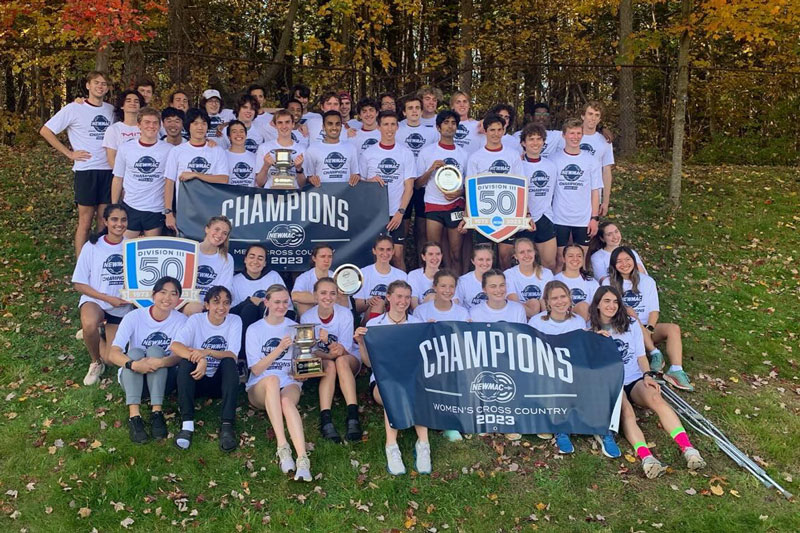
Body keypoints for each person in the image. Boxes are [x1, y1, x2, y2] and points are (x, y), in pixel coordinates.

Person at [588, 286, 706, 477]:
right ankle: (647, 458)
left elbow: (641, 357)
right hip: (611, 381)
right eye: (606, 301)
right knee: (627, 411)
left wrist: (647, 375)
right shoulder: (590, 328)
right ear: (598, 304)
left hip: (634, 377)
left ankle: (689, 449)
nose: (611, 306)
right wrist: (592, 339)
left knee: (656, 398)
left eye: (615, 302)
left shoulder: (631, 324)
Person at [528, 280, 620, 456]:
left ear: (570, 299)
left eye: (563, 296)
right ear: (547, 301)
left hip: (575, 369)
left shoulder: (578, 321)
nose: (560, 301)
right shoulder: (537, 322)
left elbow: (582, 346)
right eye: (554, 298)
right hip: (548, 371)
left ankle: (604, 430)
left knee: (600, 379)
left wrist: (596, 337)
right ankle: (562, 429)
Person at [355, 280, 431, 475]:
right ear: (388, 297)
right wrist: (362, 343)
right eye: (399, 296)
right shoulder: (375, 324)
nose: (403, 301)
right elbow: (370, 364)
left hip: (411, 380)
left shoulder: (416, 324)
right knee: (393, 389)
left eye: (407, 297)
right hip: (382, 382)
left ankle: (423, 444)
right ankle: (392, 446)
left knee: (413, 387)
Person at [40, 70, 115, 257]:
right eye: (96, 82)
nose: (100, 86)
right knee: (85, 220)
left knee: (103, 219)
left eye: (104, 84)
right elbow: (46, 131)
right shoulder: (74, 108)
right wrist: (69, 153)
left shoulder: (111, 110)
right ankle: (81, 263)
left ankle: (99, 260)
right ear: (88, 85)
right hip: (86, 169)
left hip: (108, 170)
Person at [108, 276, 187, 443]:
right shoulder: (134, 317)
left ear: (178, 299)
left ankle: (156, 412)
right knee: (135, 352)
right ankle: (134, 416)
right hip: (133, 380)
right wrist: (134, 364)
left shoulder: (181, 321)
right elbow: (113, 353)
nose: (167, 298)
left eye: (173, 294)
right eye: (163, 292)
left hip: (162, 381)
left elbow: (180, 356)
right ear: (153, 295)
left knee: (156, 351)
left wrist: (160, 362)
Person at [245, 285, 312, 480]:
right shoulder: (255, 329)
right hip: (260, 386)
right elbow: (256, 369)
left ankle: (302, 459)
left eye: (285, 302)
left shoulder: (294, 327)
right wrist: (280, 349)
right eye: (276, 302)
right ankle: (283, 447)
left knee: (286, 402)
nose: (281, 306)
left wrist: (303, 372)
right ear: (266, 302)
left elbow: (302, 361)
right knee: (272, 379)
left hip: (289, 382)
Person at [605, 247, 693, 391]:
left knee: (673, 329)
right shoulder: (609, 283)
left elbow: (654, 310)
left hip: (647, 327)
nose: (624, 264)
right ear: (614, 265)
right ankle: (655, 353)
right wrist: (638, 325)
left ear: (634, 261)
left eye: (627, 259)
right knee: (629, 312)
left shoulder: (647, 281)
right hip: (624, 328)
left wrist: (649, 328)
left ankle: (676, 370)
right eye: (619, 261)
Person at [171, 286, 242, 452]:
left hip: (220, 382)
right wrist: (200, 358)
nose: (221, 307)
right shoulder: (196, 320)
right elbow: (175, 345)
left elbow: (232, 354)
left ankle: (227, 425)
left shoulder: (234, 320)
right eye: (216, 302)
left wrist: (208, 352)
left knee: (229, 362)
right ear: (207, 305)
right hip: (196, 379)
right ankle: (187, 425)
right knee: (185, 362)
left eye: (226, 303)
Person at [72, 203, 133, 385]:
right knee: (90, 323)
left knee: (111, 359)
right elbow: (79, 283)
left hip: (121, 307)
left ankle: (99, 337)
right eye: (114, 219)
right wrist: (107, 298)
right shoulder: (92, 247)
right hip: (97, 300)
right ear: (105, 221)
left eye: (123, 220)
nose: (119, 224)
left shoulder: (132, 248)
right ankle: (95, 362)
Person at [301, 277, 362, 444]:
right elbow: (310, 352)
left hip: (348, 360)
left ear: (337, 296)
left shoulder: (345, 314)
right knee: (330, 365)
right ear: (315, 296)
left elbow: (343, 349)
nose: (328, 297)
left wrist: (327, 343)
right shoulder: (307, 317)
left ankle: (353, 417)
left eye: (332, 293)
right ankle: (326, 419)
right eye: (323, 293)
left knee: (340, 362)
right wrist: (328, 353)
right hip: (326, 362)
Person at [359, 110, 417, 270]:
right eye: (385, 124)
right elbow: (360, 185)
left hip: (395, 213)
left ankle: (403, 292)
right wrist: (369, 181)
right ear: (379, 127)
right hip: (374, 214)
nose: (389, 129)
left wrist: (400, 212)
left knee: (397, 257)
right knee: (374, 258)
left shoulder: (406, 153)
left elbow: (409, 187)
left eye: (393, 124)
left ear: (398, 127)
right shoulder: (368, 154)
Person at [464, 113, 524, 270]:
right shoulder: (475, 157)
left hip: (508, 213)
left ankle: (505, 291)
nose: (496, 133)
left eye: (499, 129)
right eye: (492, 130)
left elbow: (521, 187)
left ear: (504, 131)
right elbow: (470, 189)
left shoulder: (513, 155)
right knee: (484, 257)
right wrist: (467, 215)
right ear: (485, 131)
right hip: (483, 214)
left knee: (505, 257)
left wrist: (526, 213)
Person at [416, 110, 468, 273]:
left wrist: (459, 193)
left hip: (456, 206)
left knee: (455, 254)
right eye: (446, 123)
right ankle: (432, 289)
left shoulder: (464, 154)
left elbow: (468, 184)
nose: (450, 126)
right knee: (433, 254)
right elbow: (417, 185)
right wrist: (431, 170)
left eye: (453, 123)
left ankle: (458, 290)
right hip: (434, 205)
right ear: (438, 127)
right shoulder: (427, 152)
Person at [549, 118, 602, 271]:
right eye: (571, 133)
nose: (575, 137)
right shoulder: (554, 160)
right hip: (559, 218)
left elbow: (595, 192)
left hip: (583, 219)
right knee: (560, 259)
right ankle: (556, 292)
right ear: (564, 135)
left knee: (581, 261)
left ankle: (581, 292)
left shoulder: (591, 161)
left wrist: (594, 218)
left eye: (579, 133)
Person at [163, 108, 229, 232]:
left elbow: (223, 179)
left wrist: (195, 175)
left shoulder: (217, 150)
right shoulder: (177, 151)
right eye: (196, 123)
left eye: (204, 123)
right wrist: (169, 213)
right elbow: (169, 183)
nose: (200, 127)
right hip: (185, 213)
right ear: (188, 126)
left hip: (211, 212)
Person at [111, 107, 173, 238]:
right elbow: (118, 178)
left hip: (156, 209)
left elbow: (171, 181)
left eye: (155, 123)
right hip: (130, 206)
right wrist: (114, 207)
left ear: (160, 125)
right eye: (147, 122)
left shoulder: (169, 150)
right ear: (139, 125)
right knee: (126, 251)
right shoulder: (125, 148)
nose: (151, 126)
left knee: (150, 252)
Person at [397, 95, 439, 249]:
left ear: (422, 111)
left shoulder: (432, 133)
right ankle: (404, 262)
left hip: (424, 184)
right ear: (404, 112)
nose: (414, 111)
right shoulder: (397, 130)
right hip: (403, 184)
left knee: (422, 229)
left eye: (417, 108)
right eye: (410, 108)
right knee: (403, 227)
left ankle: (421, 264)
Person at [517, 122, 558, 271]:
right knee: (524, 265)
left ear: (543, 142)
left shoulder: (551, 166)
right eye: (531, 139)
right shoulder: (517, 165)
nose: (535, 142)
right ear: (523, 143)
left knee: (549, 264)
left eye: (539, 139)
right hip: (522, 220)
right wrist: (526, 214)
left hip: (544, 217)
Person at [183, 216, 235, 315]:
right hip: (187, 304)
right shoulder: (189, 251)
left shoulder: (227, 259)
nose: (219, 235)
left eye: (224, 233)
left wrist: (207, 305)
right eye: (217, 229)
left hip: (211, 307)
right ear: (207, 229)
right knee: (195, 308)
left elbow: (223, 289)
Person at [354, 235, 408, 322]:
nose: (385, 253)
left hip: (394, 317)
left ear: (393, 251)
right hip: (368, 320)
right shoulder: (364, 273)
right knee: (379, 302)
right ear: (374, 251)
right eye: (381, 249)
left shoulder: (401, 275)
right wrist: (369, 301)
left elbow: (405, 303)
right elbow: (357, 307)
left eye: (388, 249)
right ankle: (374, 332)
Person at [304, 111, 360, 186]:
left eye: (337, 124)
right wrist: (311, 179)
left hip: (346, 195)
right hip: (322, 195)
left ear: (341, 126)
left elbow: (356, 174)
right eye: (330, 124)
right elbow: (308, 176)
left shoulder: (351, 148)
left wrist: (356, 177)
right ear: (323, 127)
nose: (334, 128)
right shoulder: (312, 149)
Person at [291, 243, 349, 316]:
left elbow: (345, 304)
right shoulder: (305, 277)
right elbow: (295, 296)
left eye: (330, 257)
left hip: (333, 314)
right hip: (311, 315)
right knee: (303, 303)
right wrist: (323, 300)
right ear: (314, 258)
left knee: (343, 297)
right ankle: (308, 326)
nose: (326, 260)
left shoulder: (336, 277)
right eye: (322, 256)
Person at [255, 109, 307, 189]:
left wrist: (299, 169)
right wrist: (266, 166)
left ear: (293, 124)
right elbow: (259, 183)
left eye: (287, 122)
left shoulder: (302, 149)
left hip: (293, 197)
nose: (284, 126)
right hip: (271, 196)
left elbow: (303, 184)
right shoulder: (264, 148)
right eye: (280, 123)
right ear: (275, 125)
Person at [505, 237, 554, 319]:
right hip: (520, 317)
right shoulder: (508, 274)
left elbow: (548, 303)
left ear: (534, 252)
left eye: (529, 251)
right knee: (534, 303)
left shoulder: (546, 273)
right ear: (516, 256)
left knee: (538, 303)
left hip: (543, 314)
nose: (526, 255)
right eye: (522, 252)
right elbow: (513, 302)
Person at [580, 101, 615, 216]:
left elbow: (606, 171)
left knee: (590, 231)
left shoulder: (605, 141)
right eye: (590, 114)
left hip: (594, 194)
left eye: (597, 115)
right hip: (570, 193)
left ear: (600, 119)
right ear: (582, 116)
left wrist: (605, 201)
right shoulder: (570, 136)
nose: (593, 118)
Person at [553, 244, 598, 320]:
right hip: (563, 320)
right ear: (563, 259)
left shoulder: (591, 281)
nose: (575, 259)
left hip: (588, 322)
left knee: (583, 307)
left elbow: (597, 305)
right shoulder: (556, 280)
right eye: (570, 256)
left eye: (579, 256)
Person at [103, 89, 144, 168]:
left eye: (136, 101)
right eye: (128, 101)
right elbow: (111, 159)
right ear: (122, 106)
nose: (133, 103)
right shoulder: (113, 129)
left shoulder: (147, 128)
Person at [454, 244, 494, 310]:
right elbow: (456, 306)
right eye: (480, 259)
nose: (485, 263)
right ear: (473, 261)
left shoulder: (499, 280)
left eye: (488, 259)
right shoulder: (462, 281)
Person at [408, 242, 443, 309]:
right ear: (423, 257)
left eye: (438, 254)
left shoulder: (446, 276)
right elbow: (413, 304)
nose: (435, 257)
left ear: (441, 256)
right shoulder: (414, 275)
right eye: (430, 254)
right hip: (420, 316)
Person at [224, 120, 258, 187]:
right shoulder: (222, 156)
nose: (238, 134)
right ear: (229, 136)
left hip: (250, 196)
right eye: (234, 132)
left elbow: (257, 183)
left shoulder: (255, 157)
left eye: (241, 131)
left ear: (246, 135)